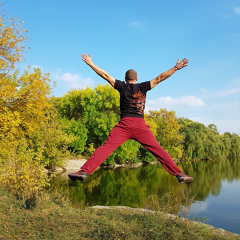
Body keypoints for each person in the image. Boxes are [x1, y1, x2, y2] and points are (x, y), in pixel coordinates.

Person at [68, 53, 193, 184]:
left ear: (125, 78)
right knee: (158, 150)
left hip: (124, 125)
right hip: (140, 126)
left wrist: (91, 63)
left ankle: (84, 171)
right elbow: (160, 77)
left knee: (105, 148)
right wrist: (176, 67)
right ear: (136, 78)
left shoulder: (122, 86)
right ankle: (178, 174)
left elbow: (105, 75)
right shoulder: (143, 87)